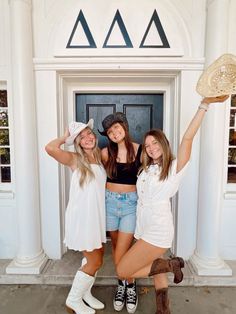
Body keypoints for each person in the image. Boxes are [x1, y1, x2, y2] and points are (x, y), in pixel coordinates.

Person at [116, 95, 228, 314]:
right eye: (147, 145)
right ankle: (163, 310)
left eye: (155, 142)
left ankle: (171, 265)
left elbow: (187, 139)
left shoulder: (173, 168)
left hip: (158, 229)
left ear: (163, 143)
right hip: (143, 226)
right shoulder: (146, 169)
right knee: (156, 270)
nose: (150, 147)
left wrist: (203, 105)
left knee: (123, 269)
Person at [45, 119, 106, 314]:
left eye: (89, 134)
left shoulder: (100, 159)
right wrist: (65, 137)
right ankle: (73, 300)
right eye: (82, 136)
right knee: (94, 261)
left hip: (96, 216)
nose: (87, 138)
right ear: (77, 142)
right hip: (83, 217)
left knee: (98, 257)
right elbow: (50, 148)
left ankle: (85, 294)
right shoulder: (74, 159)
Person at [99, 112, 142, 313]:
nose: (114, 133)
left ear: (124, 127)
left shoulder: (140, 150)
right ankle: (122, 283)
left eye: (117, 128)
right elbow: (91, 170)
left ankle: (129, 283)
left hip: (130, 205)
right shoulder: (106, 153)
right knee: (116, 245)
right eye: (110, 131)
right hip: (110, 203)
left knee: (125, 247)